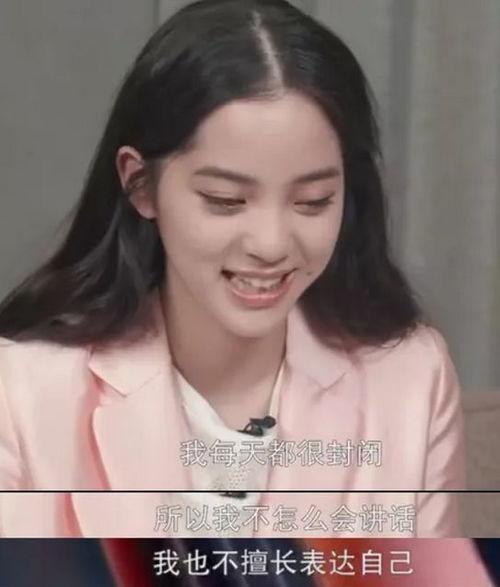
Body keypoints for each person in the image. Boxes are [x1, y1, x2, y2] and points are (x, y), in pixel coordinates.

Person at [0, 0, 466, 540]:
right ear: (140, 184)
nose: (271, 244)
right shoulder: (23, 392)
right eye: (225, 200)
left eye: (313, 201)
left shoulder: (411, 379)